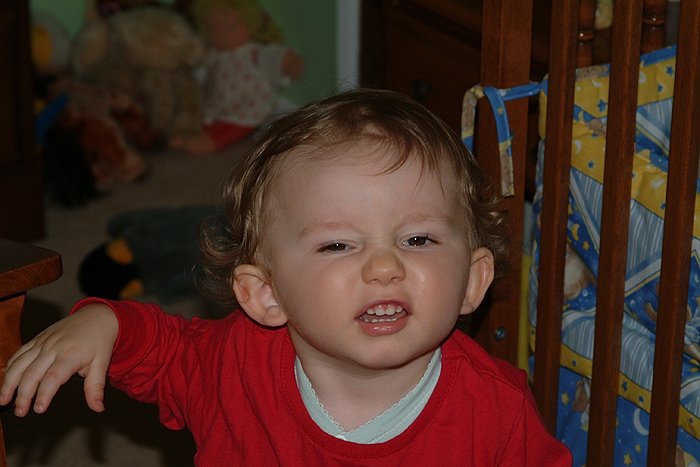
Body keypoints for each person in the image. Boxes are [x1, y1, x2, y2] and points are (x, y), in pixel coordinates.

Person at [0, 89, 571, 465]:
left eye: (417, 239)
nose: (384, 267)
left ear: (473, 280)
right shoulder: (234, 363)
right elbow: (167, 353)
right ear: (265, 294)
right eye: (338, 244)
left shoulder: (495, 412)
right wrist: (105, 323)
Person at [169, 0, 304, 154]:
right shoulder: (215, 55)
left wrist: (290, 63)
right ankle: (193, 134)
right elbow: (201, 73)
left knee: (232, 127)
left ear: (251, 26)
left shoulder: (253, 52)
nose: (222, 35)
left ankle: (212, 141)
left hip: (250, 106)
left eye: (230, 28)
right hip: (221, 106)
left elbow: (274, 58)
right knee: (208, 121)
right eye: (213, 29)